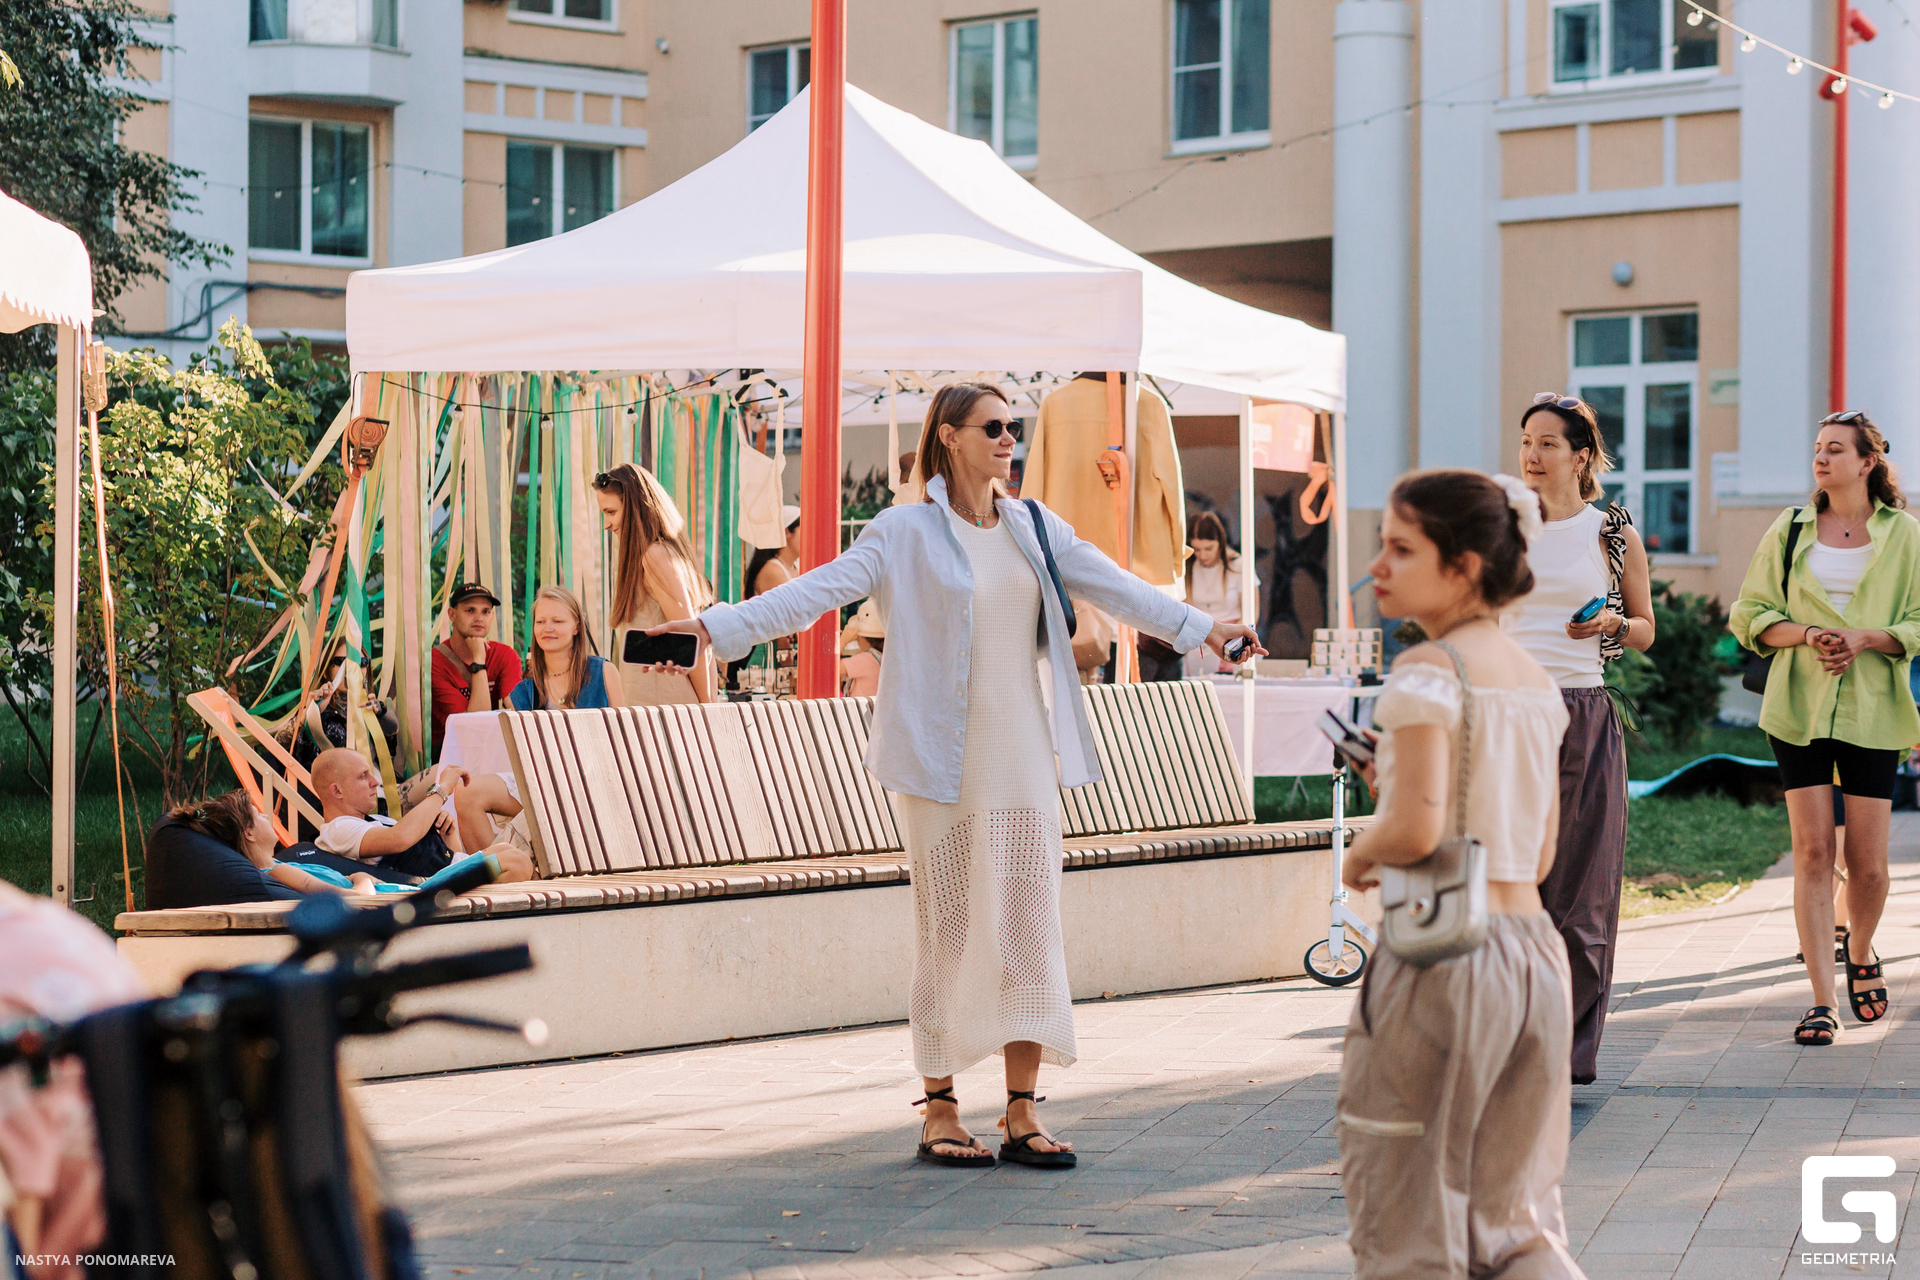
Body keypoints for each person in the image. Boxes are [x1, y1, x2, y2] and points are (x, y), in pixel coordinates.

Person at [647, 381, 1261, 1168]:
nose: (1009, 439)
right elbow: (813, 593)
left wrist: (1208, 629)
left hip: (1022, 751)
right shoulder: (901, 531)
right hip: (939, 758)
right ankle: (939, 1107)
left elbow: (1118, 585)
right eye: (993, 426)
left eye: (1013, 426)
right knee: (950, 927)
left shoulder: (1035, 526)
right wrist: (712, 626)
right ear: (949, 437)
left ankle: (1021, 1109)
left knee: (1030, 923)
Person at [1337, 469, 1582, 1279]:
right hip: (1535, 958)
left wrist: (1360, 853)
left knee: (1412, 1220)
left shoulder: (1427, 670)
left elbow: (1416, 829)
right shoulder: (1537, 682)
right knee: (1515, 1224)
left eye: (1401, 549)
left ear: (1463, 567)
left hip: (1445, 958)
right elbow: (1538, 856)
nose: (1378, 565)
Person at [1730, 410, 1920, 1045]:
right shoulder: (1789, 528)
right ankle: (1821, 1000)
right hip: (1797, 707)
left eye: (1836, 449)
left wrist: (1868, 638)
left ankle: (1859, 947)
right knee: (1813, 852)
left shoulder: (1905, 536)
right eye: (1817, 447)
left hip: (1875, 708)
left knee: (1868, 865)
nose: (1821, 457)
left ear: (1868, 462)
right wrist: (1810, 634)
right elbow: (1750, 613)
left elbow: (1919, 621)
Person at [1507, 393, 1655, 1085]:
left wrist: (1611, 625)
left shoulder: (1611, 531)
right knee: (1511, 886)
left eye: (1547, 444)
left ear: (1581, 455)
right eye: (1525, 442)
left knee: (1583, 889)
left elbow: (1645, 627)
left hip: (1585, 715)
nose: (1532, 456)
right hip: (1510, 713)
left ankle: (1567, 1053)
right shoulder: (1500, 525)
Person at [309, 747, 536, 883]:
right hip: (441, 886)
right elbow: (401, 838)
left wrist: (448, 835)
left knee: (512, 850)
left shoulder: (375, 822)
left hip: (454, 874)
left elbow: (452, 857)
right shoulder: (337, 830)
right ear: (337, 791)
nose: (374, 782)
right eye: (363, 776)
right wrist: (442, 789)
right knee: (518, 858)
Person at [593, 463, 716, 705]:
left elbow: (691, 641)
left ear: (636, 508)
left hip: (664, 709)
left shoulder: (655, 556)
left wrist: (708, 707)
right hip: (655, 707)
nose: (606, 524)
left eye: (611, 512)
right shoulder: (657, 554)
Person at [154, 790, 384, 903]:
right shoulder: (277, 872)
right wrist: (361, 877)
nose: (266, 815)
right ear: (249, 833)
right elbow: (357, 899)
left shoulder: (280, 866)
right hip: (381, 902)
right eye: (258, 815)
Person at [431, 582, 523, 758]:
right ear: (452, 614)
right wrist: (479, 661)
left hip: (492, 750)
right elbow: (473, 726)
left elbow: (517, 709)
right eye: (470, 610)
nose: (479, 618)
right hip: (449, 753)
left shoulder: (505, 655)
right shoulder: (435, 661)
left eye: (485, 611)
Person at [729, 505, 802, 693]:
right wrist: (790, 673)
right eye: (804, 529)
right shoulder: (773, 570)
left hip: (785, 657)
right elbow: (781, 627)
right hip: (772, 658)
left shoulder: (794, 567)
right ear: (787, 532)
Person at [1182, 510, 1258, 677]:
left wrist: (1233, 646)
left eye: (1208, 548)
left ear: (1220, 543)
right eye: (1196, 549)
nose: (1202, 555)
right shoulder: (1187, 567)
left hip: (1234, 639)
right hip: (1200, 642)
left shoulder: (1238, 565)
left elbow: (1252, 613)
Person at [839, 597, 885, 697]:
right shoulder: (879, 656)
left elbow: (832, 670)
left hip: (860, 707)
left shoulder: (866, 659)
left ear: (860, 637)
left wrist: (842, 641)